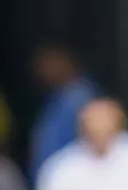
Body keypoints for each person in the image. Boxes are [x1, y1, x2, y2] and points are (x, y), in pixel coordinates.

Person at [29, 43, 99, 182]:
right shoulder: (55, 95)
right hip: (52, 180)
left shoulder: (78, 96)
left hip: (69, 181)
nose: (44, 71)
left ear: (66, 62)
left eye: (50, 63)